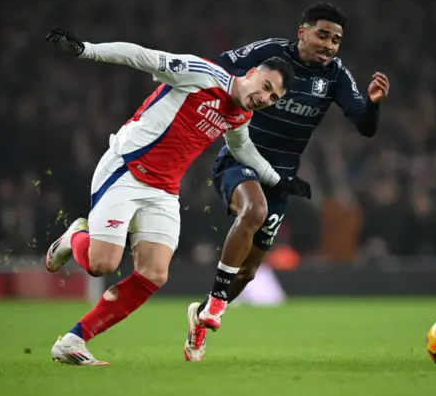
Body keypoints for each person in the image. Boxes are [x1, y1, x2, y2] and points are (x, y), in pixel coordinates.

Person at [42, 27, 309, 365]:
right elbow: (142, 56)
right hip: (126, 170)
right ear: (253, 73)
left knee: (154, 275)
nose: (265, 97)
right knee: (101, 264)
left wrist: (280, 180)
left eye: (273, 98)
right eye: (266, 87)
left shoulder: (241, 114)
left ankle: (73, 340)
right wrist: (86, 50)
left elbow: (243, 148)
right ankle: (75, 236)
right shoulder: (201, 74)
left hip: (164, 190)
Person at [184, 2, 390, 362]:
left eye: (336, 40)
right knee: (253, 212)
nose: (329, 45)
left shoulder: (336, 75)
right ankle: (216, 305)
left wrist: (372, 105)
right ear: (302, 32)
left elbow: (365, 127)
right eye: (322, 35)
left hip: (280, 177)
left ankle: (202, 315)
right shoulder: (269, 53)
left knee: (247, 273)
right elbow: (217, 68)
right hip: (239, 157)